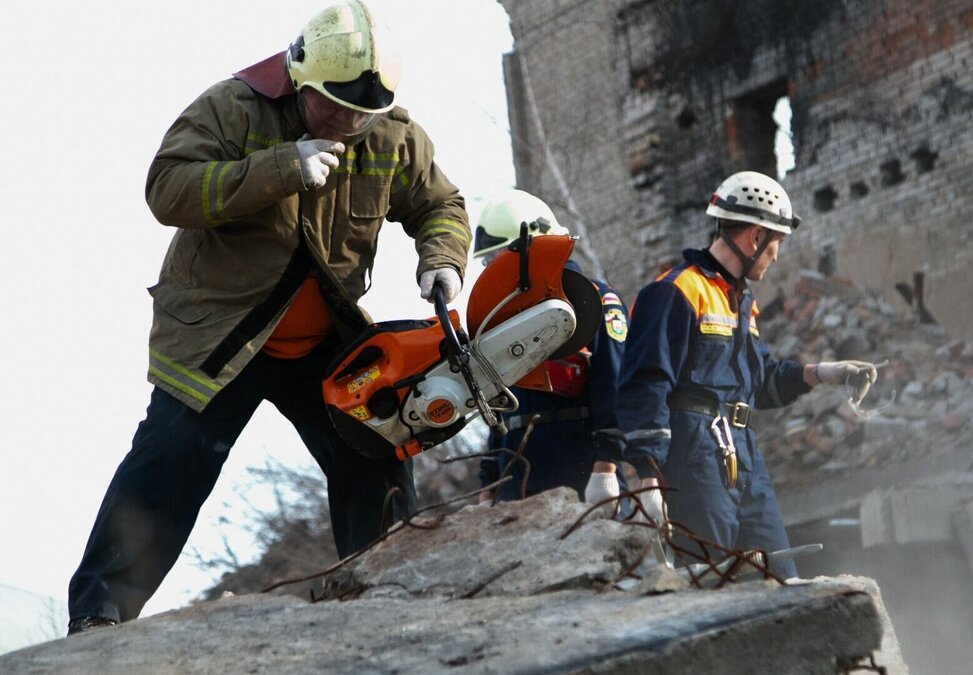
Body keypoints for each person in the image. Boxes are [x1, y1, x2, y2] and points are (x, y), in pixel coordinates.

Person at [67, 0, 471, 634]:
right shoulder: (234, 108)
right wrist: (279, 169)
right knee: (171, 460)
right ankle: (98, 618)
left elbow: (441, 205)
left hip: (325, 340)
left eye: (361, 112)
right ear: (298, 77)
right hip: (221, 335)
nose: (347, 122)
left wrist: (442, 261)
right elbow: (167, 189)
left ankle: (390, 599)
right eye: (333, 106)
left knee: (377, 446)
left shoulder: (392, 135)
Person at [615, 171, 876, 580]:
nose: (777, 256)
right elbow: (646, 385)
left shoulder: (740, 301)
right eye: (776, 243)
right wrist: (649, 475)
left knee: (780, 573)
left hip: (743, 453)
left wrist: (824, 373)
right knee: (710, 578)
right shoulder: (675, 291)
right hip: (695, 457)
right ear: (755, 237)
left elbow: (759, 382)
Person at [472, 190, 629, 506]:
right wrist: (489, 481)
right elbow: (496, 403)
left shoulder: (592, 301)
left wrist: (606, 466)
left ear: (531, 249)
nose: (491, 269)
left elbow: (613, 385)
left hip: (580, 468)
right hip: (516, 478)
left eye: (497, 258)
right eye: (488, 262)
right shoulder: (500, 316)